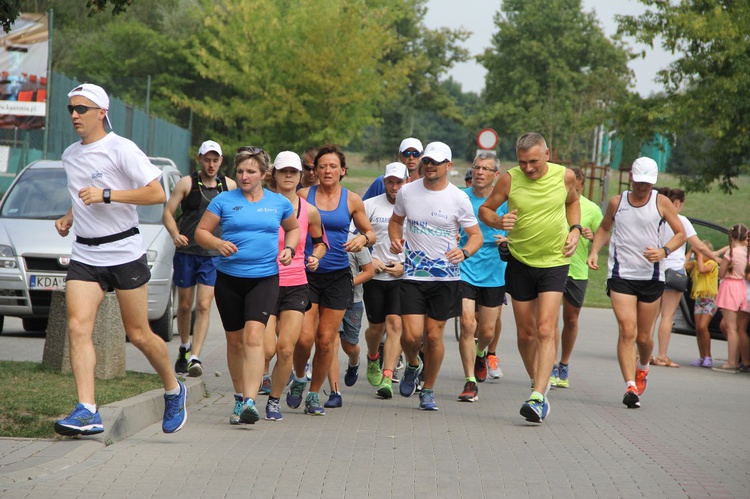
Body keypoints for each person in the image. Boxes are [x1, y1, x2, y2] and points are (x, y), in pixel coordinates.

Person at [54, 83, 187, 436]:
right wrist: (70, 215)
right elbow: (82, 193)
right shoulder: (70, 155)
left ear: (101, 112)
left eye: (82, 108)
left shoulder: (121, 148)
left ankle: (174, 389)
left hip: (124, 250)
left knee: (140, 334)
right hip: (85, 252)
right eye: (70, 108)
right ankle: (87, 409)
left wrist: (107, 195)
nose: (74, 115)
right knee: (78, 327)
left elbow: (156, 192)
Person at [478, 132, 580, 423]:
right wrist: (498, 220)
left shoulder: (565, 176)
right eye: (523, 162)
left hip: (554, 261)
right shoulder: (510, 179)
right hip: (520, 261)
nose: (528, 168)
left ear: (548, 154)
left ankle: (537, 395)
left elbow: (573, 202)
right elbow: (485, 209)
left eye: (533, 161)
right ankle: (539, 383)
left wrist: (574, 229)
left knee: (546, 328)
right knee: (526, 334)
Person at [195, 146, 300, 424]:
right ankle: (239, 397)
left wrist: (289, 248)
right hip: (229, 279)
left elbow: (293, 228)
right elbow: (201, 232)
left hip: (264, 278)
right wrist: (217, 243)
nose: (244, 176)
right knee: (235, 341)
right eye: (240, 171)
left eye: (251, 171)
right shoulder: (224, 201)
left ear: (264, 174)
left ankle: (251, 402)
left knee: (254, 337)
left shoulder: (279, 203)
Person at [389, 141, 483, 411]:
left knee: (433, 337)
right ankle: (413, 365)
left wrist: (464, 252)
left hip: (445, 278)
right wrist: (396, 240)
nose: (429, 165)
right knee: (410, 337)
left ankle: (428, 389)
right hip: (413, 275)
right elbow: (396, 221)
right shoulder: (407, 191)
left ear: (448, 166)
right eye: (427, 161)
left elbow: (475, 235)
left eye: (436, 162)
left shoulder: (458, 198)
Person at [587, 157, 686, 409]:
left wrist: (663, 251)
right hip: (621, 275)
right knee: (627, 330)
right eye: (639, 182)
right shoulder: (617, 202)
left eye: (647, 183)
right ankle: (630, 385)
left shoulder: (660, 202)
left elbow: (680, 233)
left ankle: (643, 366)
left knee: (644, 338)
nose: (643, 187)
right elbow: (604, 229)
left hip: (651, 277)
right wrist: (594, 251)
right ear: (632, 177)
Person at [289, 144, 376, 416]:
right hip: (307, 274)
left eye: (333, 166)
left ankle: (314, 393)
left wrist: (362, 238)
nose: (327, 170)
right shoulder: (304, 195)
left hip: (339, 276)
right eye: (322, 166)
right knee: (304, 339)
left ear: (343, 171)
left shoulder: (352, 200)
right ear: (314, 171)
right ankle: (299, 376)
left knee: (326, 340)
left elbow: (370, 233)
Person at [259, 151, 327, 421]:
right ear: (273, 174)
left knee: (287, 348)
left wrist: (315, 258)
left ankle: (274, 401)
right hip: (263, 281)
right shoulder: (261, 205)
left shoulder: (308, 210)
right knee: (265, 349)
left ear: (301, 176)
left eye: (293, 172)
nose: (288, 176)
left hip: (296, 283)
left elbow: (321, 242)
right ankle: (248, 395)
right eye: (283, 171)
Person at [163, 140, 237, 378]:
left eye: (216, 160)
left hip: (213, 256)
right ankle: (184, 347)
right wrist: (175, 234)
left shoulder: (229, 186)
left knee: (204, 305)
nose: (211, 164)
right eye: (207, 159)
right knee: (185, 305)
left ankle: (196, 356)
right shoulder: (187, 183)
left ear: (221, 161)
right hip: (187, 252)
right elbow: (168, 213)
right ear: (200, 159)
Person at [457, 152, 507, 403]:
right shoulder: (459, 197)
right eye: (477, 167)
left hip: (494, 269)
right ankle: (470, 381)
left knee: (486, 330)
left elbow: (517, 228)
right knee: (467, 324)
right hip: (464, 265)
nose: (479, 172)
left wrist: (509, 239)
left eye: (486, 169)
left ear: (495, 175)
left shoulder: (504, 202)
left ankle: (480, 354)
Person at [652, 188, 717, 368]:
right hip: (674, 271)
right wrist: (716, 258)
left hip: (655, 270)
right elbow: (699, 247)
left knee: (651, 315)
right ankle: (662, 356)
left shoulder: (656, 219)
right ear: (678, 203)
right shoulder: (682, 221)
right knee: (667, 315)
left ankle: (644, 353)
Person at [550, 167, 603, 388]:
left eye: (574, 184)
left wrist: (592, 239)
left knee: (571, 320)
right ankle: (550, 365)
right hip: (552, 266)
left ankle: (564, 363)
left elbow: (603, 233)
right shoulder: (554, 203)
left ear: (579, 185)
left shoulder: (591, 208)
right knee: (549, 320)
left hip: (577, 270)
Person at [363, 162, 409, 399]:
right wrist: (370, 261)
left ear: (406, 182)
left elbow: (424, 241)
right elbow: (354, 236)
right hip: (375, 275)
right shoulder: (370, 205)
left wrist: (406, 265)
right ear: (384, 182)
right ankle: (373, 357)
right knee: (375, 328)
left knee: (395, 325)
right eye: (390, 182)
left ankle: (387, 376)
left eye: (399, 182)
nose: (394, 186)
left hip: (401, 276)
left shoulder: (415, 206)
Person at [324, 232, 374, 408]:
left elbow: (369, 271)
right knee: (332, 342)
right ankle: (335, 392)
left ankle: (354, 361)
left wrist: (349, 283)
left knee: (349, 345)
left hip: (354, 301)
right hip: (330, 300)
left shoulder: (353, 240)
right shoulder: (318, 240)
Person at [711, 224, 748, 373]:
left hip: (730, 286)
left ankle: (732, 361)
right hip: (741, 287)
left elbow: (722, 273)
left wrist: (720, 262)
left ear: (731, 238)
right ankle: (740, 359)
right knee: (739, 328)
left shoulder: (730, 254)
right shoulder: (746, 251)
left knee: (730, 327)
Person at [684, 241, 718, 367]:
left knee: (703, 327)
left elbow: (703, 270)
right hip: (699, 300)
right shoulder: (695, 264)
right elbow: (683, 265)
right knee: (698, 328)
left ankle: (708, 356)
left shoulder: (712, 264)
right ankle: (702, 356)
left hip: (710, 299)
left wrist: (698, 253)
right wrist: (690, 252)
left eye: (703, 253)